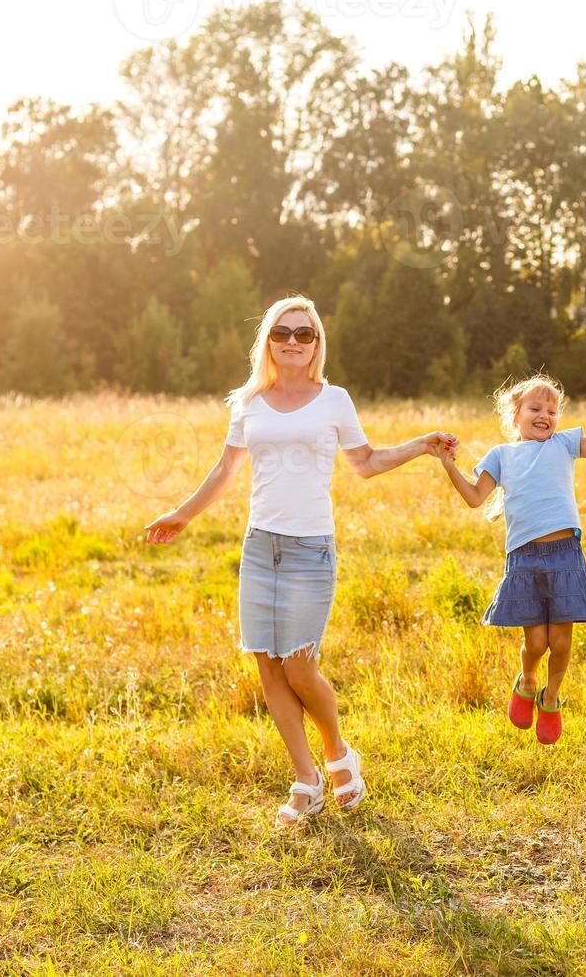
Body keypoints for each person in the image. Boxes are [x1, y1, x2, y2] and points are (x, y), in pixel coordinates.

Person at [144, 295, 455, 827]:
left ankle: (338, 753)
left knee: (299, 667)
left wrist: (423, 445)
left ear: (316, 344)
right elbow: (225, 470)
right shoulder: (248, 402)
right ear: (268, 340)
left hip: (311, 548)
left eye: (304, 334)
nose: (292, 341)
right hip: (261, 546)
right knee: (267, 665)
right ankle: (306, 779)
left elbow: (365, 462)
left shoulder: (334, 399)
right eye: (282, 332)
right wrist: (183, 514)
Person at [432, 375, 586, 745]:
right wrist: (448, 465)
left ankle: (550, 697)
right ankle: (528, 680)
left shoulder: (563, 444)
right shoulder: (502, 455)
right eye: (535, 408)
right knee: (536, 643)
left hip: (565, 555)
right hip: (525, 558)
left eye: (552, 410)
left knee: (562, 642)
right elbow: (475, 498)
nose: (545, 416)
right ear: (515, 416)